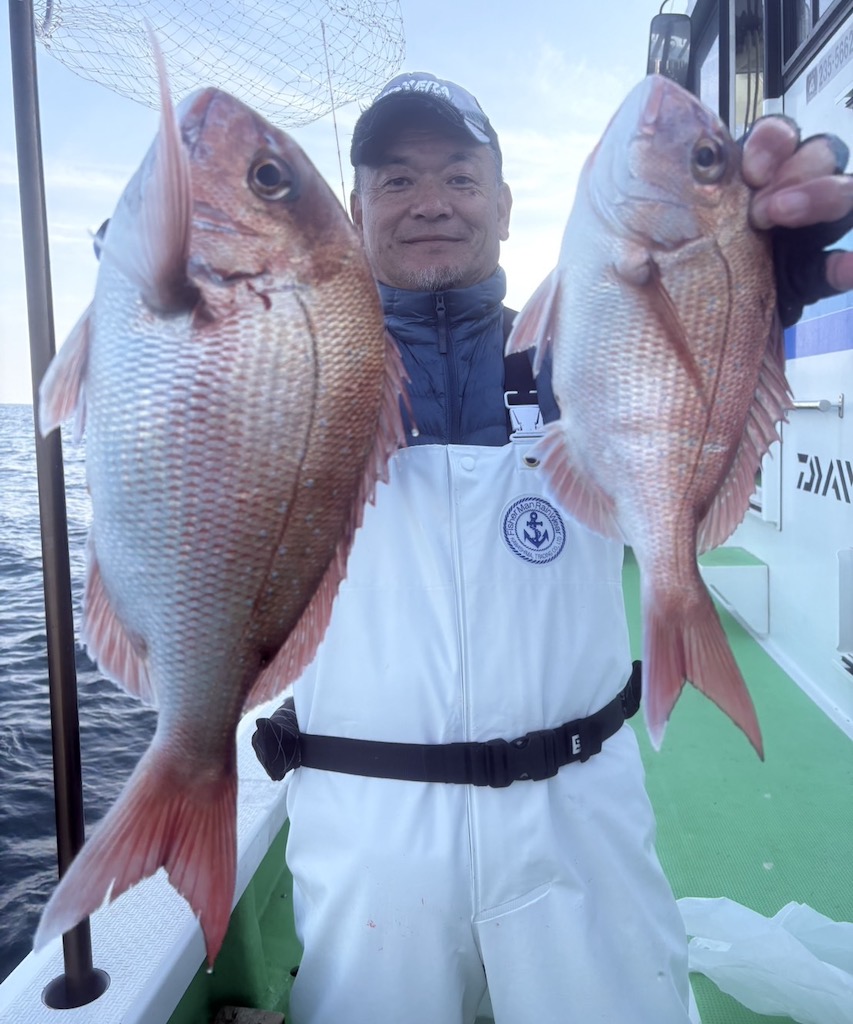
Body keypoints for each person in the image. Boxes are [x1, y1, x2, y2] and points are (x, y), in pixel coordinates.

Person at [252, 72, 853, 1023]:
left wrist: (742, 295)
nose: (430, 202)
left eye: (459, 175)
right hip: (363, 831)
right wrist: (163, 304)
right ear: (355, 210)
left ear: (504, 205)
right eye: (396, 179)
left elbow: (667, 381)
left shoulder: (574, 351)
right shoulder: (292, 373)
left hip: (580, 819)